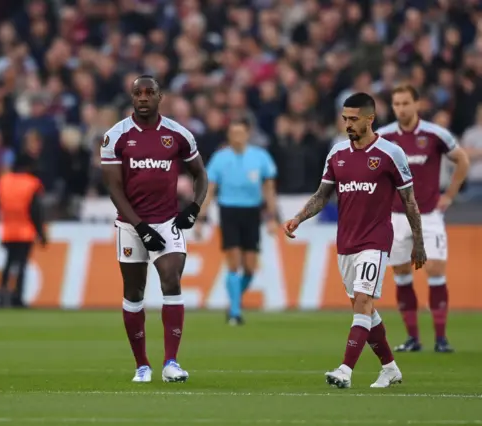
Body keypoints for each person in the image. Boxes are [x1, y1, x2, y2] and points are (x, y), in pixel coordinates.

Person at [283, 92, 427, 389]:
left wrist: (419, 242)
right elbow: (323, 195)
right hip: (346, 242)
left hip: (375, 240)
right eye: (344, 118)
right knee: (364, 310)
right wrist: (298, 217)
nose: (347, 124)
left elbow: (409, 202)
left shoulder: (390, 153)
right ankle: (389, 368)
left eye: (353, 119)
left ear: (369, 119)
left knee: (363, 301)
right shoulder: (337, 153)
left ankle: (345, 370)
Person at [101, 75, 208, 383]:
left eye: (150, 92)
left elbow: (201, 175)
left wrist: (194, 207)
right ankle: (142, 365)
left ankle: (171, 362)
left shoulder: (178, 134)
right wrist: (140, 226)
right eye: (138, 93)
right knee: (133, 292)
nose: (143, 97)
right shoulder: (115, 137)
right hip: (131, 225)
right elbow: (114, 189)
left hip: (167, 222)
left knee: (171, 280)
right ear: (132, 97)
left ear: (161, 97)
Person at [378, 84, 470, 353]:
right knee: (402, 273)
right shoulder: (383, 137)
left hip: (428, 214)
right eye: (396, 104)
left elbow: (462, 160)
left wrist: (449, 195)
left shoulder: (435, 134)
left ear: (417, 104)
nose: (401, 109)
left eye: (406, 103)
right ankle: (413, 338)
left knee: (435, 269)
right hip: (396, 216)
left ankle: (441, 338)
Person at [194, 118, 279, 326]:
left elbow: (268, 189)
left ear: (247, 134)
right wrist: (200, 219)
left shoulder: (260, 157)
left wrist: (272, 217)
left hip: (252, 211)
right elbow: (210, 189)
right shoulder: (220, 158)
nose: (237, 137)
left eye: (241, 133)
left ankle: (234, 300)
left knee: (249, 267)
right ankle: (235, 312)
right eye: (234, 133)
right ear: (229, 136)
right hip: (229, 211)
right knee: (233, 261)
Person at [0, 155, 47, 307]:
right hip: (25, 231)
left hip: (7, 230)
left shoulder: (3, 181)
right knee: (21, 265)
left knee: (8, 263)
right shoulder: (31, 183)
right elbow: (35, 210)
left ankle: (2, 296)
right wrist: (41, 233)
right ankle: (17, 297)